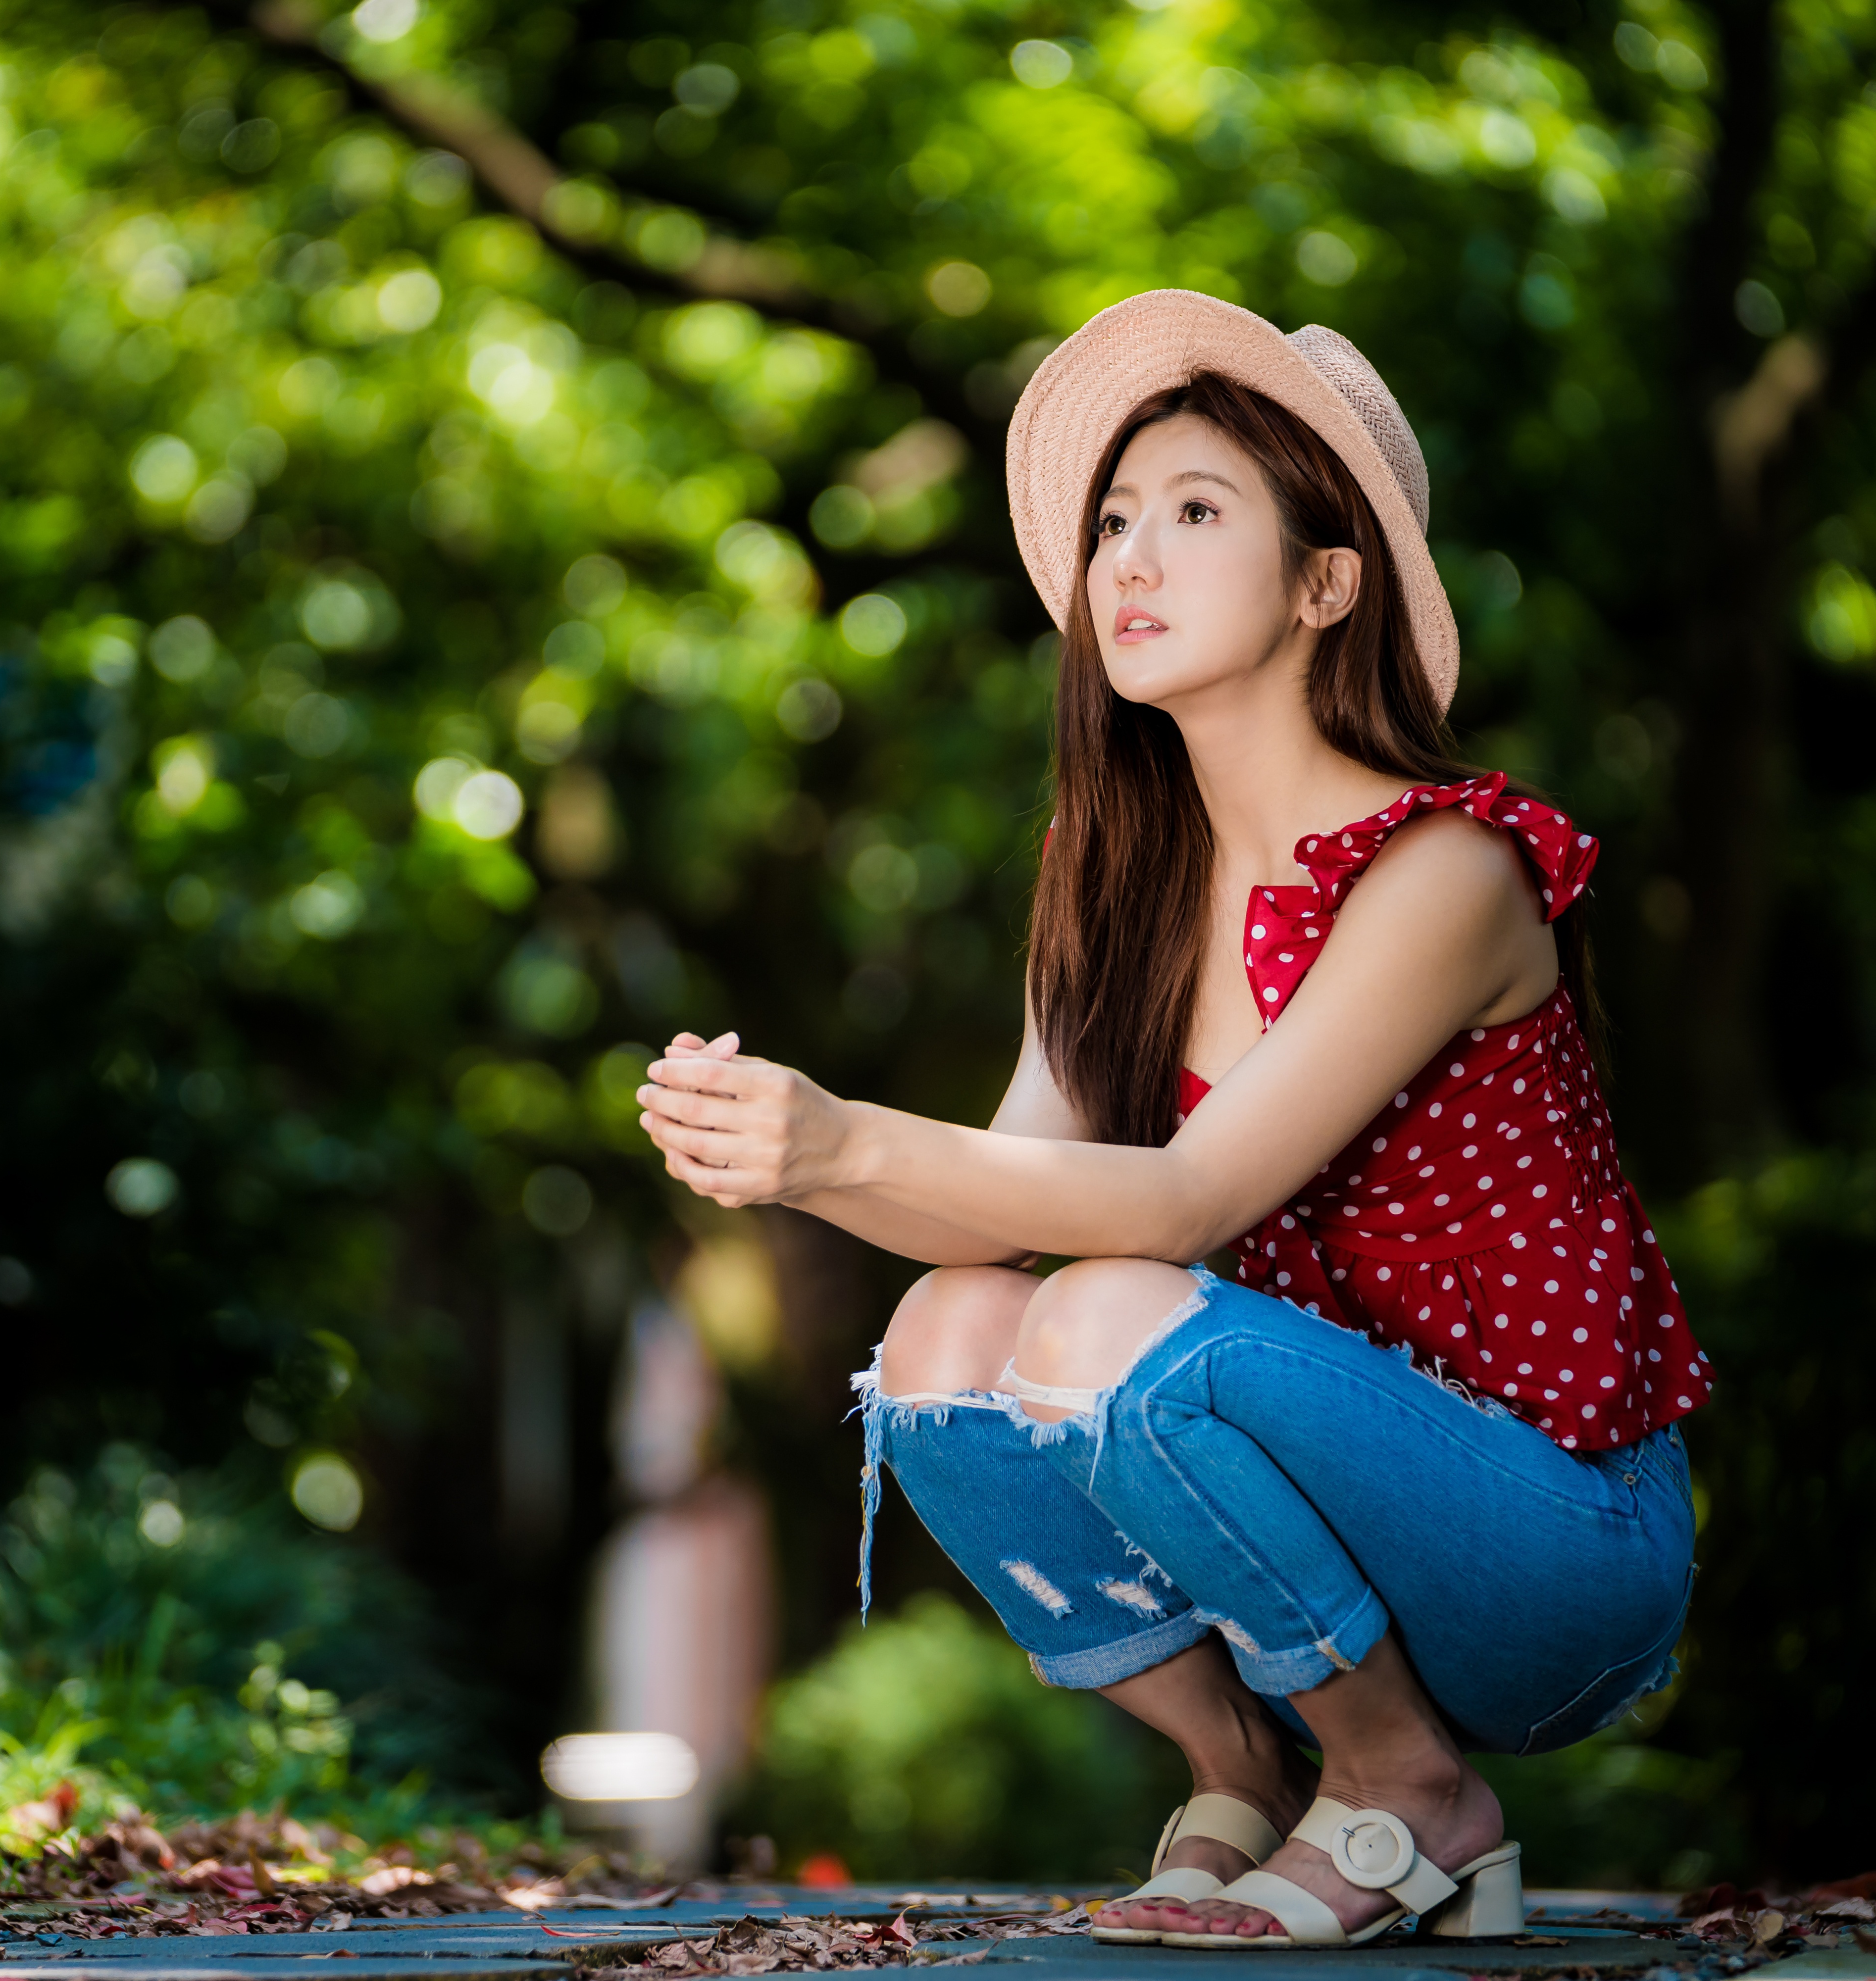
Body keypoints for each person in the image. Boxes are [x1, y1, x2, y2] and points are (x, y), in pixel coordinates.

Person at [632, 291, 1709, 1949]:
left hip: (1556, 1545)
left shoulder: (1447, 871)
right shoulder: (1123, 884)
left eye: (1197, 514)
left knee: (1111, 1310)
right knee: (947, 1337)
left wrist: (848, 1138)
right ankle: (1249, 1776)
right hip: (1315, 1511)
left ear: (1323, 583)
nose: (1126, 560)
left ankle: (1415, 1788)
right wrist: (783, 1155)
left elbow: (1191, 1195)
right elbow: (994, 1213)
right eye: (1115, 521)